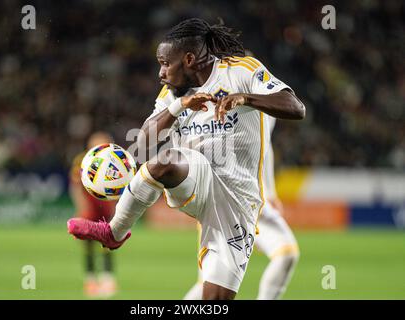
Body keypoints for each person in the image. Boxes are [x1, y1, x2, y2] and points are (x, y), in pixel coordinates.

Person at [67, 18, 305, 300]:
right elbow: (143, 142)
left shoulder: (241, 71)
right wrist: (179, 106)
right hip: (196, 175)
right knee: (164, 161)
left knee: (214, 300)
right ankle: (114, 232)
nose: (160, 72)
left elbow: (295, 107)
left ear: (189, 59)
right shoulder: (172, 93)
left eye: (165, 63)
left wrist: (245, 98)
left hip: (238, 200)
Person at [184, 114, 300, 300]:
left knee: (286, 254)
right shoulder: (229, 92)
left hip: (248, 196)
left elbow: (264, 142)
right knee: (212, 283)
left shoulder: (263, 94)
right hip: (229, 195)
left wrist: (270, 193)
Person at [69, 131, 118, 298]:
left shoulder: (113, 160)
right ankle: (90, 280)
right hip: (89, 210)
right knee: (88, 246)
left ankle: (108, 280)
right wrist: (80, 206)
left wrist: (116, 205)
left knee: (108, 244)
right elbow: (75, 186)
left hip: (106, 209)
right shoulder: (82, 161)